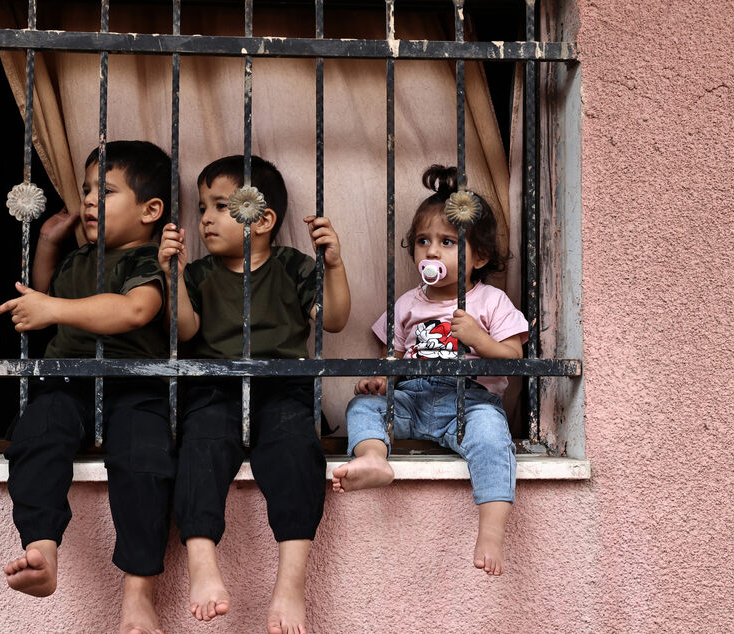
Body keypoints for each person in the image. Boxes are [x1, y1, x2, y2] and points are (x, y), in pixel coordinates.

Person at [158, 155, 350, 634]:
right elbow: (184, 331)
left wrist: (335, 264)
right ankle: (202, 565)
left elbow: (334, 319)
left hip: (283, 389)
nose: (204, 218)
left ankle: (291, 584)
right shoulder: (201, 274)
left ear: (262, 220)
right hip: (213, 391)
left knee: (296, 455)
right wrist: (173, 277)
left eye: (220, 206)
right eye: (202, 207)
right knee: (199, 449)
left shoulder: (291, 266)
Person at [0, 141, 175, 634]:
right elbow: (46, 291)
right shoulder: (80, 259)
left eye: (107, 191)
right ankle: (41, 549)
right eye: (87, 189)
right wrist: (50, 245)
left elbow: (136, 310)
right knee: (35, 436)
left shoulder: (148, 261)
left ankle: (139, 596)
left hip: (134, 386)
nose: (90, 200)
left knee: (144, 466)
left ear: (150, 211)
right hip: (67, 383)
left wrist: (53, 309)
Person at [332, 164, 528, 577]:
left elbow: (513, 356)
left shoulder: (491, 301)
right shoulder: (406, 304)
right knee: (363, 407)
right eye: (423, 241)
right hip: (415, 397)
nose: (432, 252)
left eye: (448, 242)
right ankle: (372, 458)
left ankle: (491, 530)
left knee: (494, 441)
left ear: (481, 257)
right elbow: (394, 358)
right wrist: (382, 380)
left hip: (470, 401)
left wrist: (479, 338)